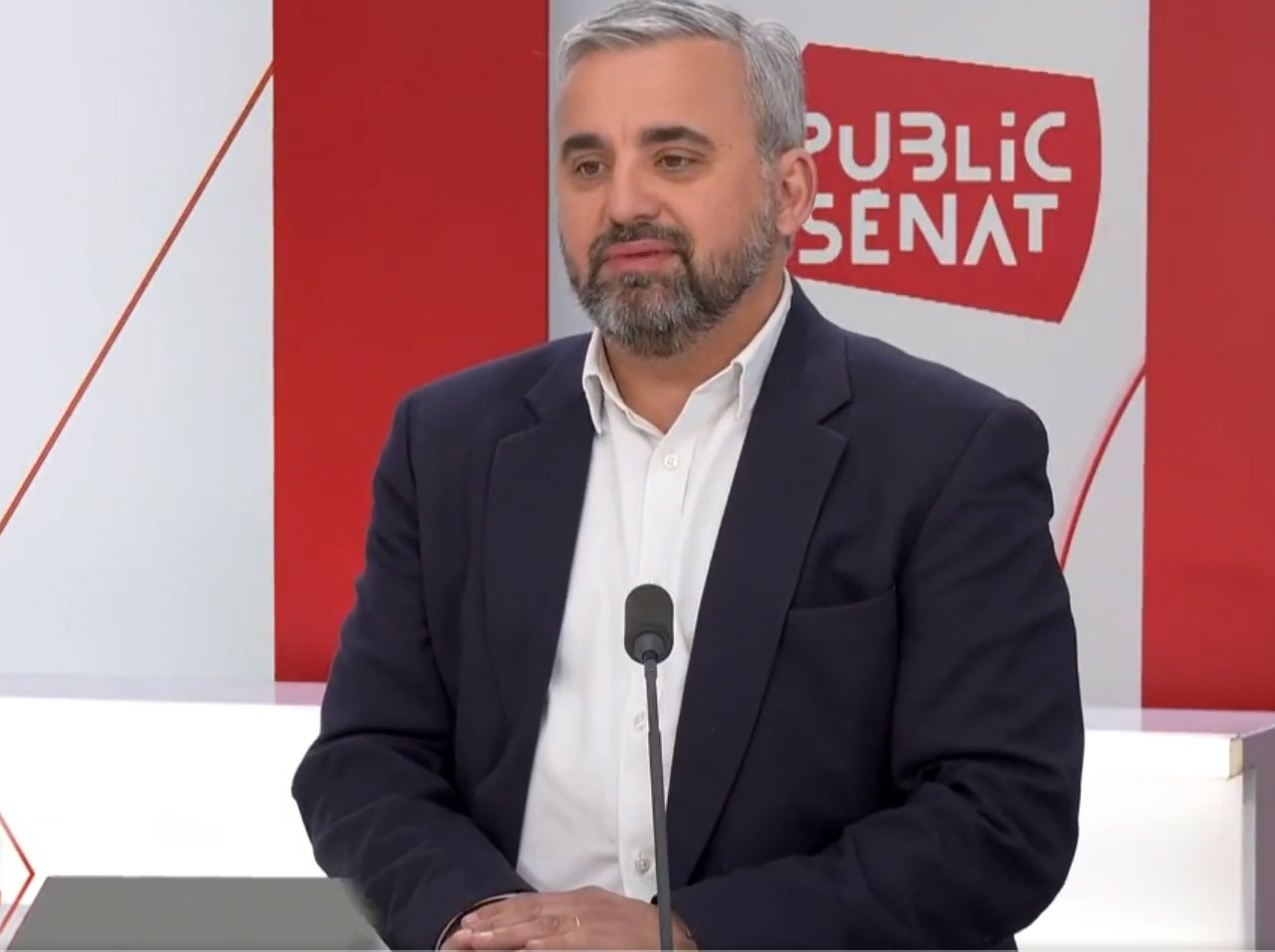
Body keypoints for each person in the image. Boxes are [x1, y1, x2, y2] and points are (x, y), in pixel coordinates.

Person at [290, 1, 1085, 948]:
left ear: (788, 191)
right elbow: (366, 758)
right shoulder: (450, 441)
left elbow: (1001, 816)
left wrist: (691, 935)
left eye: (673, 159)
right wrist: (480, 923)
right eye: (588, 166)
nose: (623, 203)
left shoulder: (948, 451)